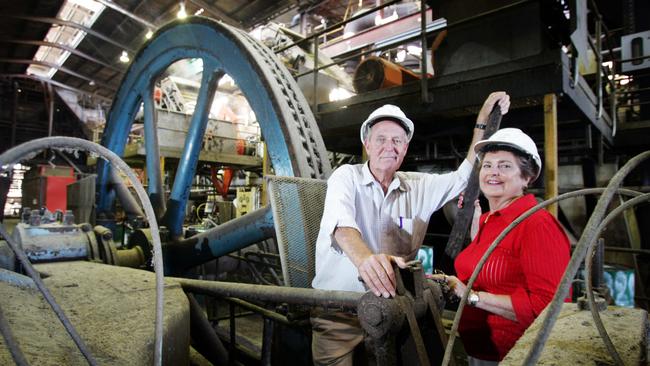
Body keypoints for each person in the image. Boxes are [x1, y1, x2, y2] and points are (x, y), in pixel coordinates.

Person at [310, 92, 511, 366]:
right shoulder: (346, 177)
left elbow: (465, 176)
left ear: (405, 148)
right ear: (367, 143)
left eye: (397, 141)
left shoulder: (418, 187)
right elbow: (342, 227)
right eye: (381, 139)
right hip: (339, 313)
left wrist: (482, 123)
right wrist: (366, 261)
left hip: (396, 312)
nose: (389, 146)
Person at [439, 128, 571, 364]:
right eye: (487, 165)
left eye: (505, 166)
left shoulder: (536, 224)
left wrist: (471, 297)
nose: (493, 173)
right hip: (479, 351)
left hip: (515, 355)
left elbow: (550, 307)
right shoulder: (489, 219)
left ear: (527, 176)